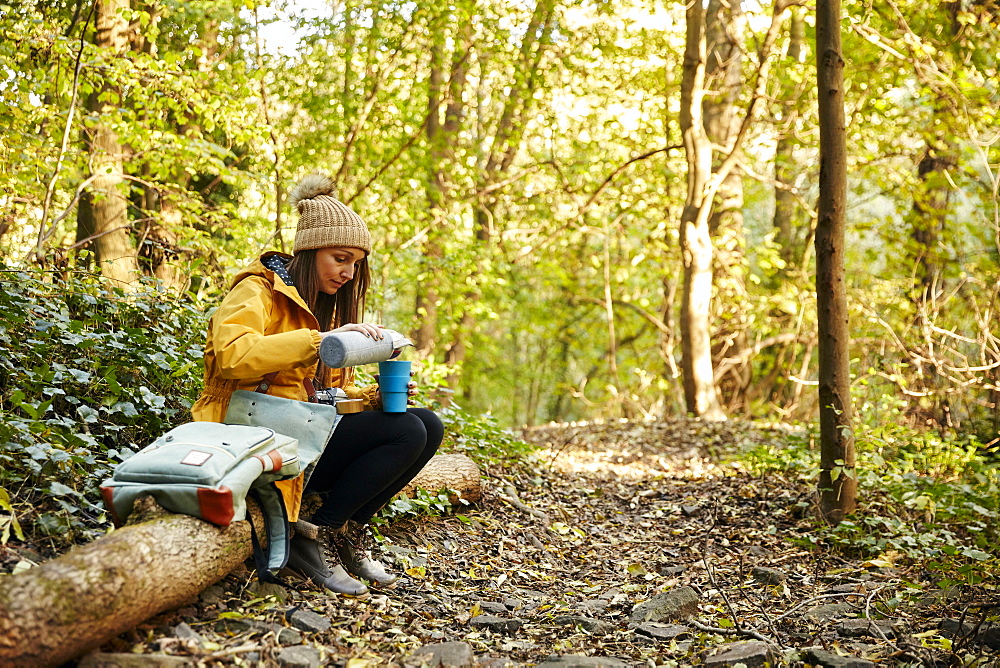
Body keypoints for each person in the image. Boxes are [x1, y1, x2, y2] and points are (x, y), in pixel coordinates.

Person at [191, 172, 443, 596]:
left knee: (426, 423)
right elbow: (234, 356)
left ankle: (344, 532)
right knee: (407, 430)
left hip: (299, 430)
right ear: (309, 250)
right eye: (340, 258)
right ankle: (314, 536)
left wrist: (371, 398)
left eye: (355, 265)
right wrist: (319, 340)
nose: (347, 273)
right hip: (248, 432)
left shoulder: (319, 307)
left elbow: (323, 397)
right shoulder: (257, 291)